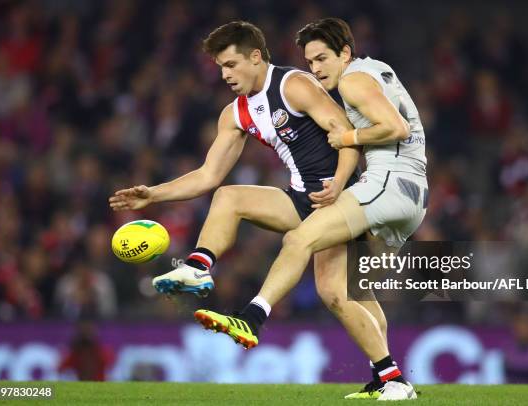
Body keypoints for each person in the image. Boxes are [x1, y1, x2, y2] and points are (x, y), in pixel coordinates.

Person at [109, 20, 389, 378]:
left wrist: (337, 184)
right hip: (304, 199)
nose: (224, 74)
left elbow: (345, 134)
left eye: (230, 64)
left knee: (336, 293)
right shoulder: (236, 113)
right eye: (220, 67)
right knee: (228, 196)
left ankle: (388, 375)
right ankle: (198, 268)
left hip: (343, 198)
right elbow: (208, 176)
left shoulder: (295, 85)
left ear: (255, 57)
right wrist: (153, 195)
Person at [194, 18, 427, 401]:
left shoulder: (353, 79)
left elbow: (397, 128)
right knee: (339, 291)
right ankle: (389, 377)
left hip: (387, 185)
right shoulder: (377, 71)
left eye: (322, 59)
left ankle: (252, 317)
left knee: (299, 238)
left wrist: (347, 137)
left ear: (346, 53)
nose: (315, 70)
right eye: (310, 61)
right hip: (407, 189)